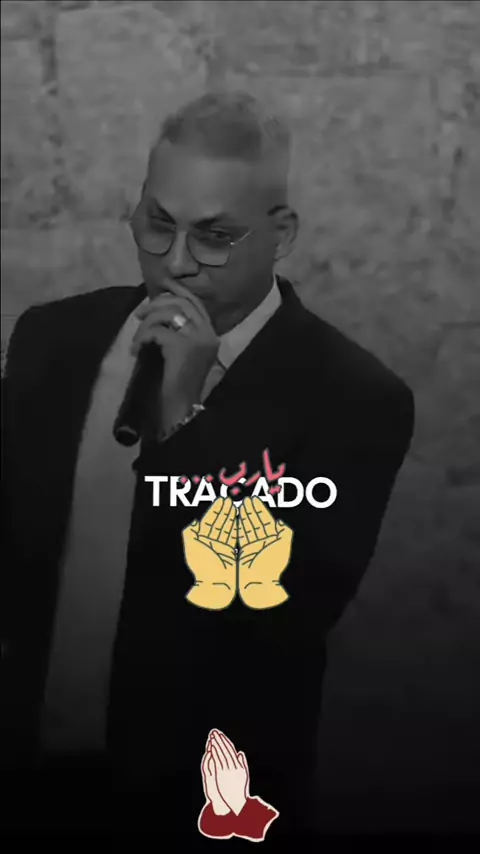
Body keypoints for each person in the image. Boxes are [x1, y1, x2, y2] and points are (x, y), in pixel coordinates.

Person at [2, 90, 414, 843]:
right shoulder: (52, 339)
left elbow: (280, 612)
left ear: (280, 234)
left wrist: (186, 421)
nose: (177, 261)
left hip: (207, 803)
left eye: (216, 236)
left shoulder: (352, 398)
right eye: (158, 224)